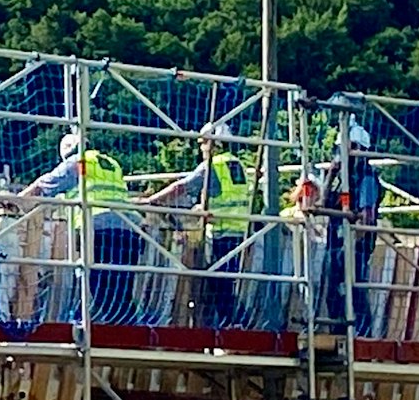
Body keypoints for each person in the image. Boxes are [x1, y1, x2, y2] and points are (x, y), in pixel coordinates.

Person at [22, 133, 145, 323]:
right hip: (129, 230)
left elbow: (44, 185)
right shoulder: (110, 162)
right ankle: (128, 331)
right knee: (122, 289)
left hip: (100, 230)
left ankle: (120, 333)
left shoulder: (77, 163)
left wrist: (16, 201)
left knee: (100, 287)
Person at [146, 122, 252, 329]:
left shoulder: (213, 166)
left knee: (218, 282)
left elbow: (182, 186)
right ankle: (233, 322)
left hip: (222, 230)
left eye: (204, 143)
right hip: (239, 230)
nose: (201, 148)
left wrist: (153, 200)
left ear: (213, 143)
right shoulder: (236, 164)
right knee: (225, 281)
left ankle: (235, 322)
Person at [319, 122, 384, 333]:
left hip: (356, 245)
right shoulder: (341, 177)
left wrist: (353, 240)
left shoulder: (365, 177)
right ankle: (338, 330)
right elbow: (323, 203)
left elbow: (367, 217)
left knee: (354, 286)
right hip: (335, 242)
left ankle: (362, 331)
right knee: (332, 289)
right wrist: (330, 175)